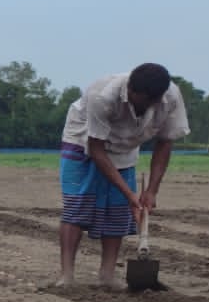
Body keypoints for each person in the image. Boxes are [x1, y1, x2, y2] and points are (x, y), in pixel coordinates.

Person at [58, 63, 189, 287]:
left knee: (117, 211)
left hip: (126, 145)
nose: (143, 107)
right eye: (140, 101)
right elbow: (97, 149)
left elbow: (165, 142)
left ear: (157, 98)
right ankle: (67, 275)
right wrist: (131, 194)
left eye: (150, 103)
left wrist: (151, 191)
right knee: (77, 207)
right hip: (83, 139)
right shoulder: (102, 95)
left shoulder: (171, 97)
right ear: (130, 89)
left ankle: (107, 275)